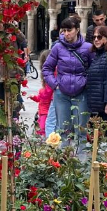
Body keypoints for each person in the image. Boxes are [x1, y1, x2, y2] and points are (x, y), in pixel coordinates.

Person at [42, 15, 93, 149]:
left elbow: (94, 69)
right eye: (64, 30)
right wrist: (55, 84)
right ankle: (63, 162)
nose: (66, 34)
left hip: (81, 93)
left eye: (69, 30)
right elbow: (47, 68)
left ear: (77, 29)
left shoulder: (88, 48)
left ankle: (80, 162)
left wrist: (86, 83)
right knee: (62, 129)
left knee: (81, 130)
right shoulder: (58, 47)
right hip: (62, 93)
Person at [33, 50, 54, 135]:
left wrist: (41, 92)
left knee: (43, 128)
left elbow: (47, 92)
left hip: (46, 109)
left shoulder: (49, 75)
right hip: (43, 109)